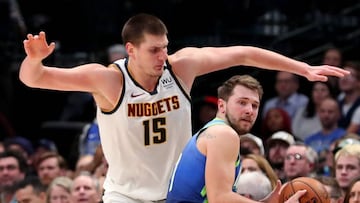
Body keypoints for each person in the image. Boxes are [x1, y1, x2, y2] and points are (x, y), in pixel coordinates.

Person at [19, 13, 349, 202]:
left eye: (165, 48)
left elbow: (244, 53)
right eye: (153, 51)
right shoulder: (107, 80)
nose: (163, 56)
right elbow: (35, 79)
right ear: (130, 50)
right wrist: (34, 61)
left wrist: (303, 69)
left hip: (180, 193)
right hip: (127, 196)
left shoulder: (181, 67)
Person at [166, 75, 302, 202]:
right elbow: (219, 198)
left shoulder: (211, 131)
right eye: (242, 102)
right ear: (221, 105)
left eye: (255, 105)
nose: (250, 110)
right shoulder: (224, 134)